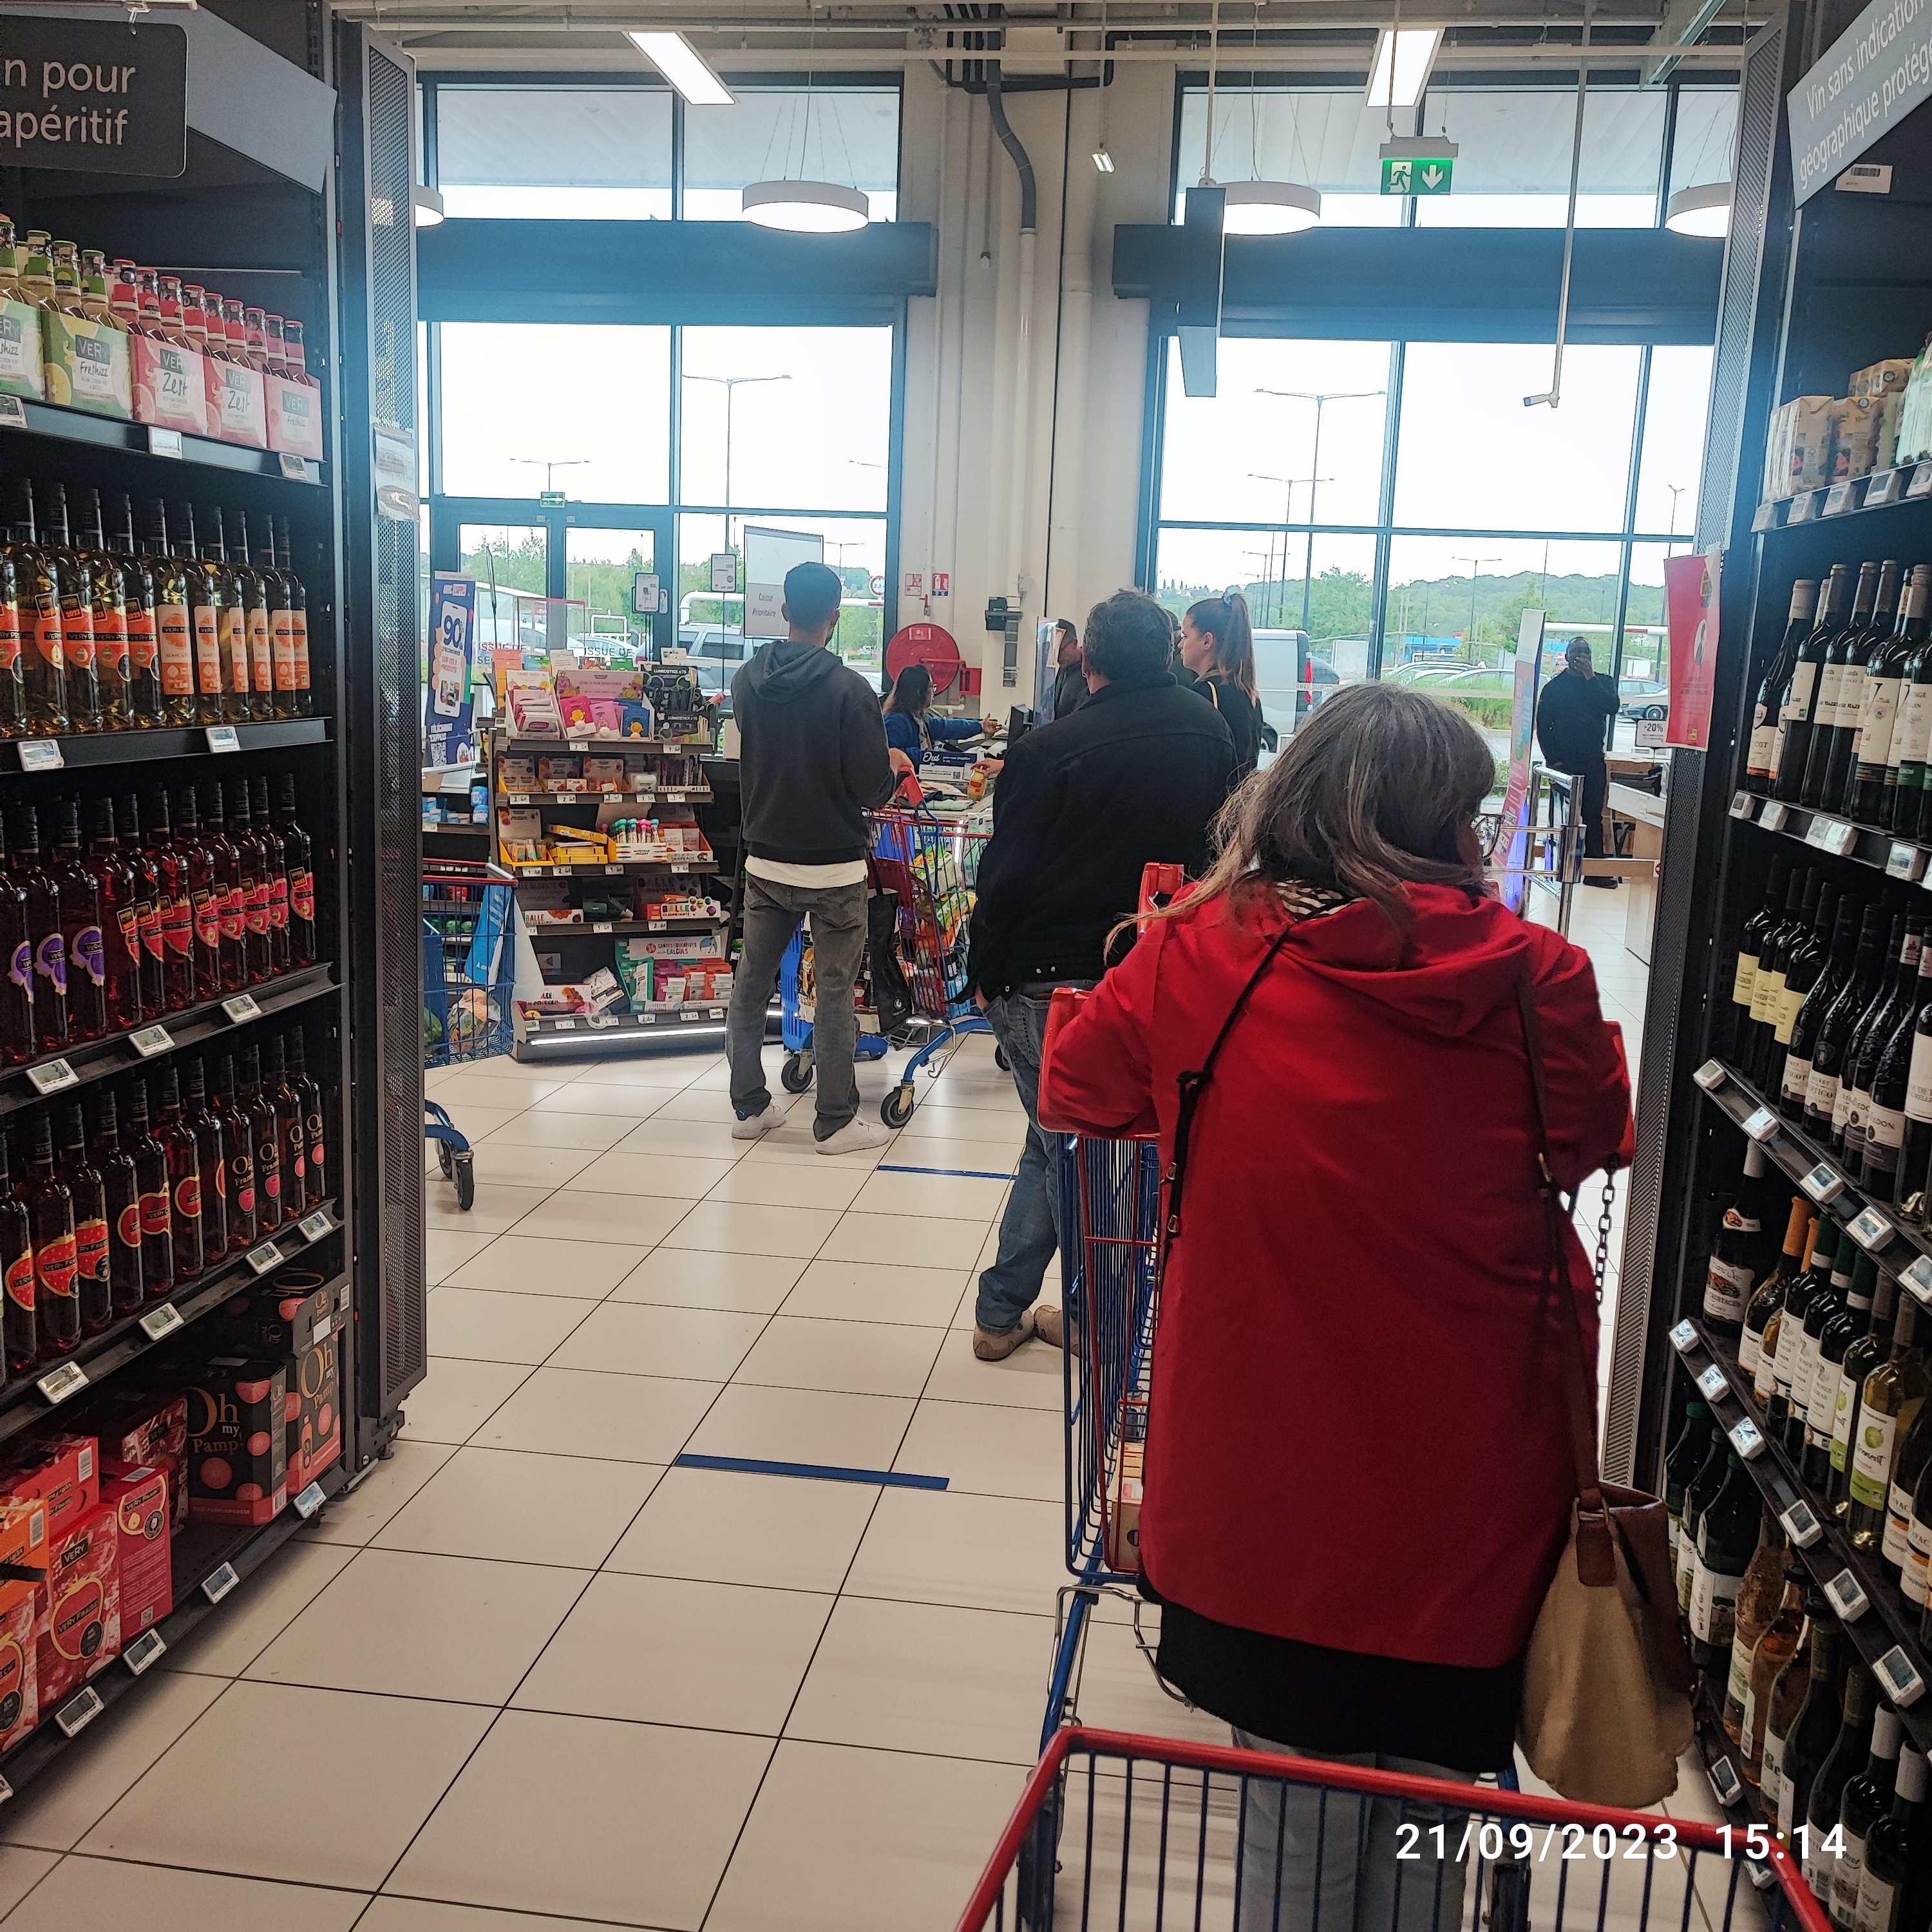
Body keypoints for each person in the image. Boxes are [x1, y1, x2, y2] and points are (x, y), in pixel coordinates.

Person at [1037, 681, 1629, 1932]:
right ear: (1452, 827)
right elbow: (1587, 1138)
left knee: (1291, 1833)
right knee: (1427, 1825)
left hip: (1262, 1491)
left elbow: (1076, 1086)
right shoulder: (1541, 978)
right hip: (1472, 1494)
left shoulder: (1197, 952)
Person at [965, 587, 1235, 1360]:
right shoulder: (1211, 733)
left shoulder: (1048, 751)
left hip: (1050, 979)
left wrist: (983, 972)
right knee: (1055, 1140)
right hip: (1155, 968)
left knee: (1069, 1152)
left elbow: (1003, 881)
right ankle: (1004, 1312)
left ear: (1090, 664)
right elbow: (1218, 854)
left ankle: (1087, 1319)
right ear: (1166, 653)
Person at [724, 561, 913, 1155]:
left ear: (784, 611)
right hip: (834, 867)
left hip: (766, 861)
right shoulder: (850, 690)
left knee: (751, 986)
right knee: (833, 993)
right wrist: (894, 769)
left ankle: (750, 1107)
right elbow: (869, 787)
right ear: (835, 617)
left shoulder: (746, 681)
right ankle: (834, 1121)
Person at [1535, 636, 1621, 887]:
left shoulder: (1602, 682)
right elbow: (1543, 726)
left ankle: (1595, 872)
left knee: (1593, 816)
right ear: (1566, 656)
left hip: (1593, 761)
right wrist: (1552, 760)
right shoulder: (1555, 687)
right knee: (1567, 817)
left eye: (1585, 651)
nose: (1580, 656)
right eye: (1575, 651)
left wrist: (1590, 677)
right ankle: (1562, 867)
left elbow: (1612, 707)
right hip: (1564, 765)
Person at [1179, 590, 1264, 778]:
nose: (1180, 645)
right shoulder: (1249, 694)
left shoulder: (1206, 694)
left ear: (1207, 641)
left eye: (1185, 636)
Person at [880, 663, 1001, 768]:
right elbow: (892, 755)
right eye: (931, 688)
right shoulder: (896, 722)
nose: (933, 693)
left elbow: (947, 727)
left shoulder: (918, 718)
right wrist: (929, 757)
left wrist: (980, 726)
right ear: (919, 692)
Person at [1049, 618, 1086, 719]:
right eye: (1054, 652)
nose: (1057, 657)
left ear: (1074, 643)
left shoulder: (1089, 672)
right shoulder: (1064, 668)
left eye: (1061, 651)